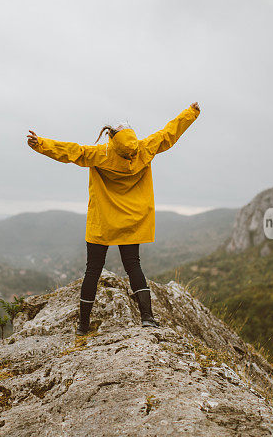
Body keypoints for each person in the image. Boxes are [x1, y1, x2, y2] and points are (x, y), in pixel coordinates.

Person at [26, 102, 201, 335]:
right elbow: (170, 132)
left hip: (103, 221)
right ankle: (147, 317)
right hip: (131, 222)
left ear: (112, 136)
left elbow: (70, 151)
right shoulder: (144, 148)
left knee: (93, 270)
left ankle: (83, 326)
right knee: (133, 266)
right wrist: (191, 112)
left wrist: (41, 144)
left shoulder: (102, 153)